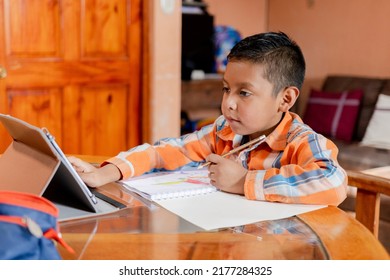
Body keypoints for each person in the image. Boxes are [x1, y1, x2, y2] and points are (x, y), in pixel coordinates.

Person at [69, 31, 347, 206]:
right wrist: (103, 173)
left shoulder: (301, 141)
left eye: (245, 93)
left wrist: (243, 182)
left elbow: (333, 182)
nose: (229, 103)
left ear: (285, 99)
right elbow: (163, 152)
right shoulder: (223, 131)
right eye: (226, 89)